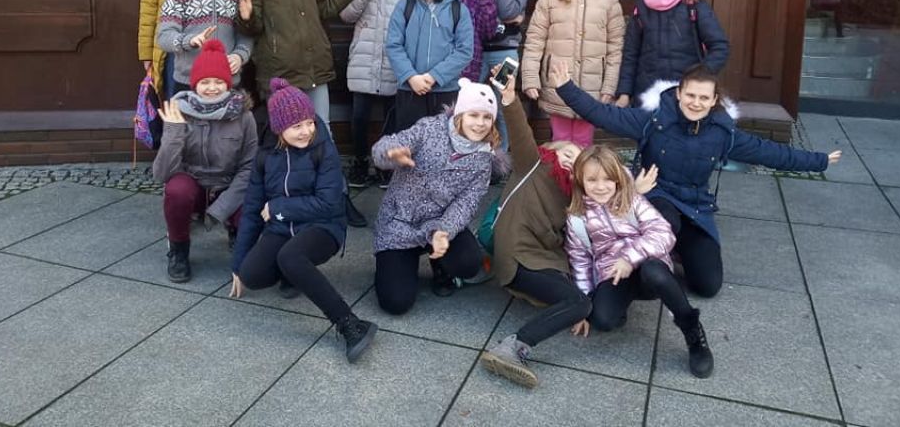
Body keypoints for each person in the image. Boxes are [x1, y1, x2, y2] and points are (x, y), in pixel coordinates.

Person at [550, 59, 842, 298]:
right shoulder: (653, 120)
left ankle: (677, 249)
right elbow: (604, 114)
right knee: (666, 223)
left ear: (714, 100)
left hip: (695, 206)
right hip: (657, 196)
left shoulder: (722, 133)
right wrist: (566, 88)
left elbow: (767, 152)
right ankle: (652, 262)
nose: (696, 103)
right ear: (679, 93)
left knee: (707, 285)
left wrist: (818, 161)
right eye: (690, 95)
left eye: (704, 98)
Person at [480, 69, 660, 388]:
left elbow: (605, 209)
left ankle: (571, 314)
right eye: (564, 151)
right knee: (579, 304)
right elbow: (520, 130)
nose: (568, 159)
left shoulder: (576, 199)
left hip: (545, 260)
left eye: (576, 159)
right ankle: (514, 347)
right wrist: (509, 98)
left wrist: (633, 192)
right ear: (548, 149)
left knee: (587, 307)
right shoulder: (533, 166)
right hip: (519, 253)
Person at [237, 0, 381, 226]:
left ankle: (337, 196)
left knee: (323, 132)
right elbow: (254, 27)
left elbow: (325, 8)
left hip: (314, 67)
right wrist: (246, 16)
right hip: (281, 72)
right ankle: (282, 202)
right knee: (285, 138)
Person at [229, 78, 377, 363]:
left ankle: (350, 324)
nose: (307, 131)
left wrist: (279, 207)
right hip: (281, 228)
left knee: (291, 256)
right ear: (279, 128)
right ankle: (293, 272)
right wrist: (237, 263)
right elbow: (252, 209)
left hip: (323, 226)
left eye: (309, 122)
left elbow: (328, 203)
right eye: (297, 126)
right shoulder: (265, 156)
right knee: (252, 274)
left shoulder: (323, 148)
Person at [564, 145, 714, 378]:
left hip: (647, 267)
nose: (600, 186)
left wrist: (629, 258)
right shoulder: (577, 217)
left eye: (607, 179)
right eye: (592, 180)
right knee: (602, 320)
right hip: (613, 274)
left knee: (654, 271)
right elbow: (580, 261)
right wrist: (581, 306)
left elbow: (663, 232)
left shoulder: (632, 200)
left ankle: (693, 333)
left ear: (617, 178)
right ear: (580, 181)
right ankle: (620, 306)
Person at [370, 78, 506, 315]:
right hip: (400, 221)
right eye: (474, 115)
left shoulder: (484, 159)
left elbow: (466, 203)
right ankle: (397, 263)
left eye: (487, 117)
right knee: (395, 302)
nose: (480, 123)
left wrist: (444, 231)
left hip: (437, 223)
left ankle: (440, 264)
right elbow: (388, 145)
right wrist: (391, 154)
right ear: (460, 114)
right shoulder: (430, 128)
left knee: (468, 263)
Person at [152, 39, 257, 283]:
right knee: (177, 190)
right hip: (194, 185)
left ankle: (237, 232)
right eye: (205, 82)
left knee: (252, 199)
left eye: (218, 82)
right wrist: (174, 131)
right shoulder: (178, 110)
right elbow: (162, 174)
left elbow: (249, 167)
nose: (212, 88)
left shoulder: (244, 115)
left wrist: (220, 210)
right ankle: (178, 249)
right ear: (195, 84)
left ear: (228, 83)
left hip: (228, 186)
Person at [521, 0, 625, 146]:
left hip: (591, 87)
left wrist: (609, 86)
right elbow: (534, 41)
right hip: (558, 83)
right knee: (560, 144)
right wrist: (530, 77)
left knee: (583, 144)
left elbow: (615, 47)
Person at [339, 0, 414, 188]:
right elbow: (346, 15)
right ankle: (360, 162)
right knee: (359, 116)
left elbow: (411, 19)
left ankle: (385, 164)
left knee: (390, 116)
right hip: (364, 56)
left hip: (393, 57)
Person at [615, 0, 730, 107]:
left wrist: (700, 76)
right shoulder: (642, 6)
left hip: (685, 91)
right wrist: (624, 92)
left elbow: (720, 46)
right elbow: (631, 52)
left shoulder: (694, 4)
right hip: (647, 91)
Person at [386, 0, 475, 132]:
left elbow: (464, 51)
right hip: (410, 91)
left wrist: (434, 76)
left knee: (443, 142)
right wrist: (411, 77)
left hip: (445, 91)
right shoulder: (405, 5)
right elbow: (394, 45)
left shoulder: (458, 9)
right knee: (409, 142)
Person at [482, 0, 533, 151]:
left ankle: (501, 154)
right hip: (480, 51)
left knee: (502, 102)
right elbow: (477, 10)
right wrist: (508, 18)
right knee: (473, 100)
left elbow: (507, 10)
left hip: (506, 52)